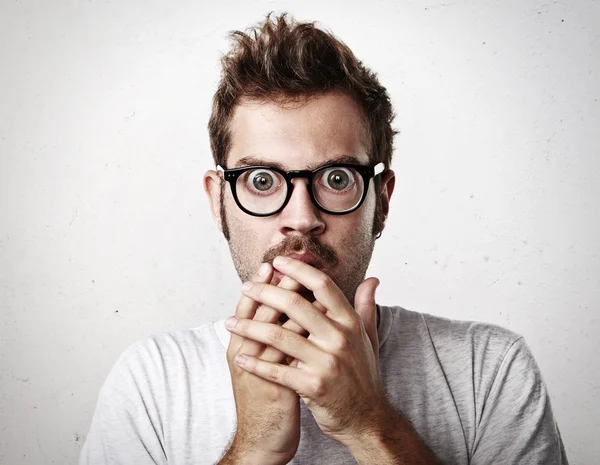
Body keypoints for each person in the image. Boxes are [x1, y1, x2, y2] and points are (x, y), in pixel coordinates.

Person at [80, 13, 568, 465]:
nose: (301, 218)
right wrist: (253, 445)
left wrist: (368, 424)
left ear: (382, 199)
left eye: (337, 179)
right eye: (263, 181)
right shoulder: (150, 381)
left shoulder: (490, 368)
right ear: (217, 201)